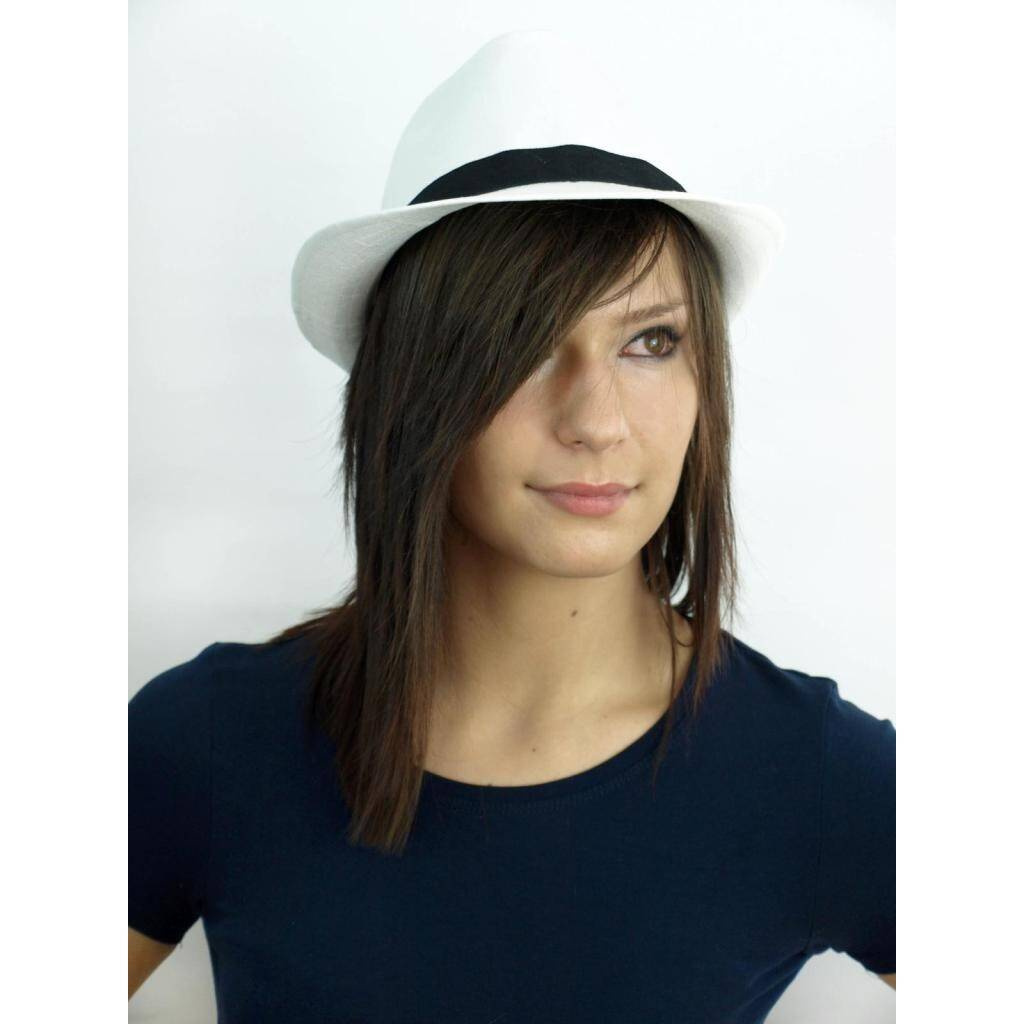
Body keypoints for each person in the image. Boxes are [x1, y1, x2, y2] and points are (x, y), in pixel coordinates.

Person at [129, 30, 896, 1020]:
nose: (597, 421)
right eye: (526, 344)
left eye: (650, 340)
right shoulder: (208, 744)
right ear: (412, 384)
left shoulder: (817, 779)